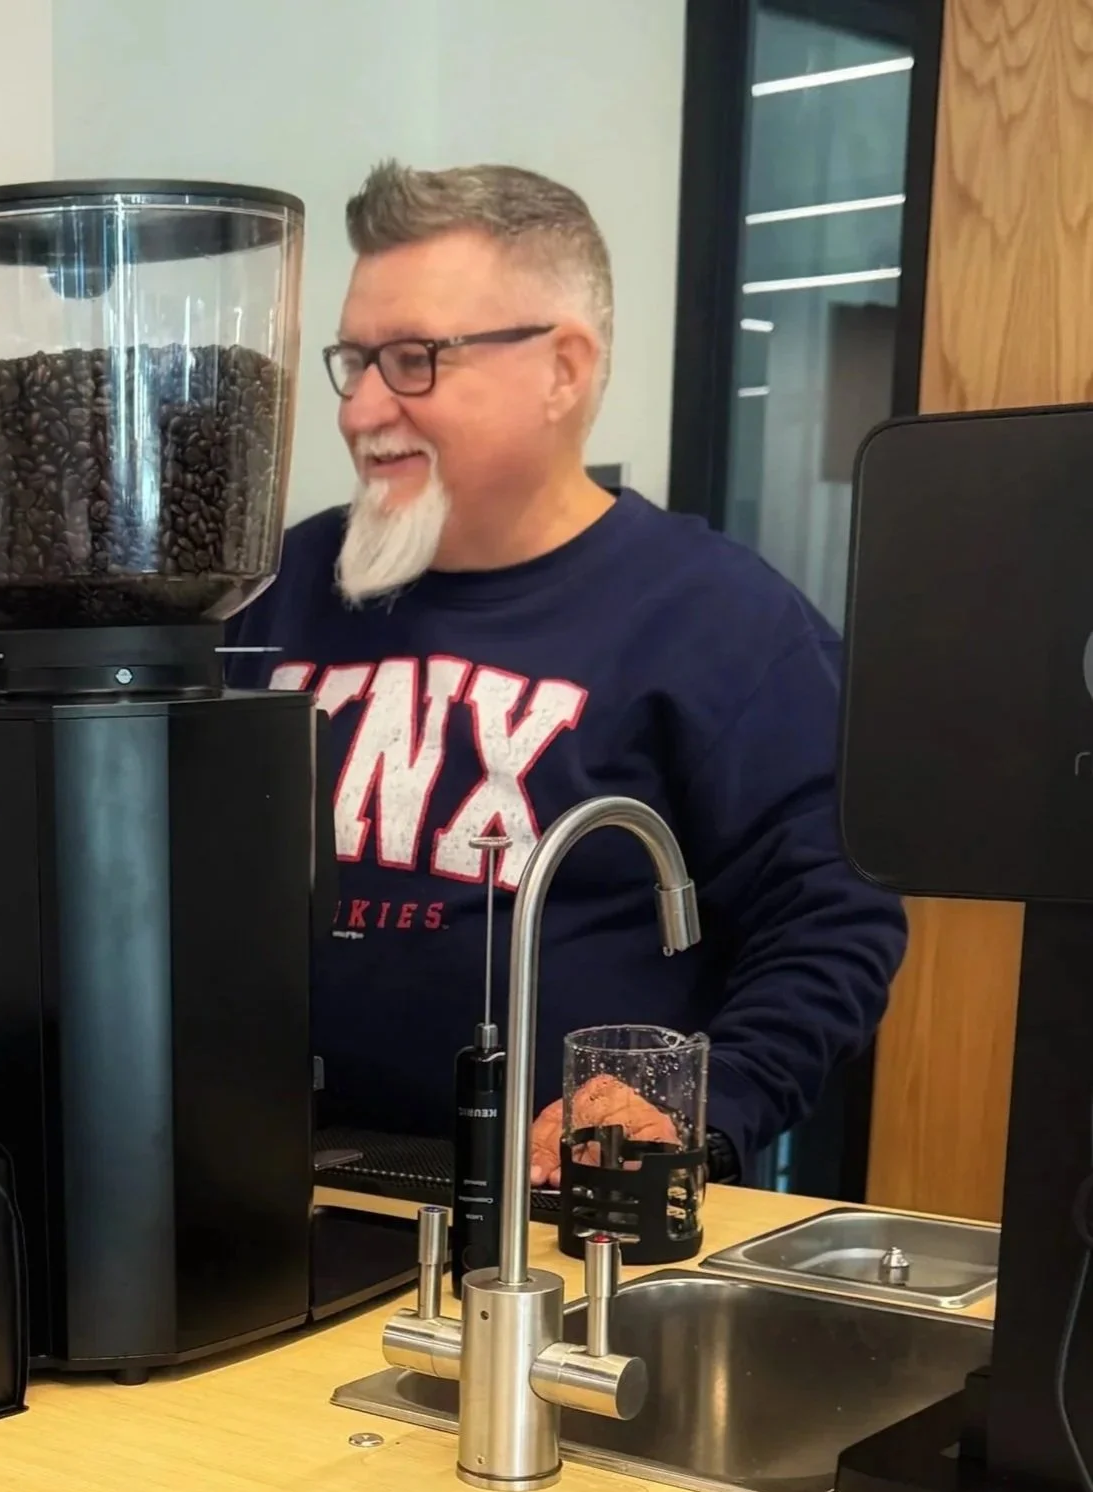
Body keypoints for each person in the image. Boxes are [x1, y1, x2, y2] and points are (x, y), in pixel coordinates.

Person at [233, 161, 907, 1185]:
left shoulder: (724, 623)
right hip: (283, 1197)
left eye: (412, 359)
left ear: (565, 369)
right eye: (354, 361)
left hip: (569, 1218)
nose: (362, 409)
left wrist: (702, 1109)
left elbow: (832, 920)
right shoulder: (271, 591)